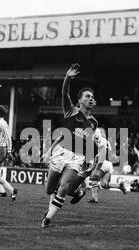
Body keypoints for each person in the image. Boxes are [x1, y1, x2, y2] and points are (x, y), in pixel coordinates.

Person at [41, 63, 105, 228]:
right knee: (50, 189)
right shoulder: (71, 111)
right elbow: (64, 92)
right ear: (79, 100)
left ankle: (47, 219)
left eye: (92, 97)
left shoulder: (94, 123)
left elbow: (88, 143)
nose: (91, 99)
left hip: (77, 158)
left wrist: (91, 162)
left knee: (62, 187)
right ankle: (78, 191)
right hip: (61, 153)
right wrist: (67, 78)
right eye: (87, 96)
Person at [88, 128, 126, 203]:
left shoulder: (100, 140)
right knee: (104, 184)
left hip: (103, 162)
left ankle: (94, 199)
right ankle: (119, 186)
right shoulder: (106, 141)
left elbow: (101, 151)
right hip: (109, 164)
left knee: (94, 179)